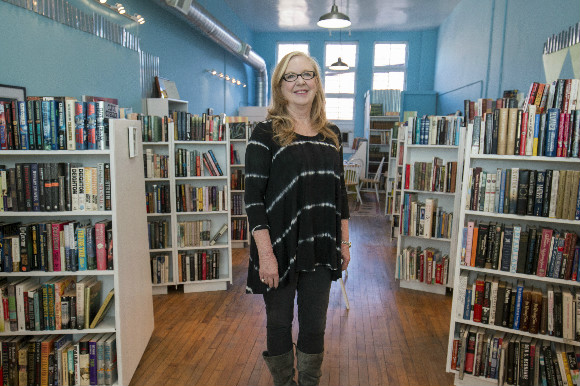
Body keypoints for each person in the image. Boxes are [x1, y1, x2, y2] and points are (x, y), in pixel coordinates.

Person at [244, 51, 351, 386]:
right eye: (291, 76)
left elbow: (340, 195)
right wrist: (266, 256)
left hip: (320, 245)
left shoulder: (331, 134)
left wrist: (344, 242)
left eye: (308, 75)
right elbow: (253, 200)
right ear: (279, 86)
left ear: (318, 83)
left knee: (315, 324)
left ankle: (308, 382)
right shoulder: (265, 133)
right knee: (278, 322)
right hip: (276, 247)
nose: (300, 82)